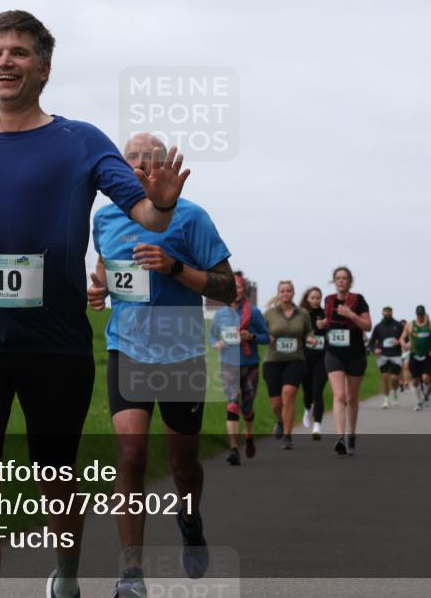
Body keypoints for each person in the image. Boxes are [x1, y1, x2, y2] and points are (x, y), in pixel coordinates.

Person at [0, 11, 190, 598]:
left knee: (56, 481)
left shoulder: (80, 142)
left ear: (44, 68)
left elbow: (145, 214)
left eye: (19, 52)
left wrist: (163, 205)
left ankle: (69, 573)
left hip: (55, 342)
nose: (5, 61)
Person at [88, 132, 235, 598]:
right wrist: (99, 291)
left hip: (182, 352)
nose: (141, 169)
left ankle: (190, 519)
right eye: (131, 161)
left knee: (183, 463)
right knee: (130, 457)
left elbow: (227, 290)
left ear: (164, 169)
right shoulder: (104, 217)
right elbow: (107, 274)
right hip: (127, 349)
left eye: (151, 161)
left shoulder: (192, 217)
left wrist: (175, 268)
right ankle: (131, 575)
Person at [211, 271, 270, 464]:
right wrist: (216, 343)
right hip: (228, 364)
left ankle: (249, 436)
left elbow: (266, 337)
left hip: (249, 365)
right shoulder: (220, 314)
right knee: (232, 404)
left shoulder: (254, 313)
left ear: (244, 290)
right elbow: (212, 336)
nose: (235, 290)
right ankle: (234, 449)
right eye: (232, 287)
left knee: (247, 408)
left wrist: (252, 337)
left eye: (238, 287)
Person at [318, 266, 372, 456]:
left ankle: (352, 435)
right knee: (339, 395)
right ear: (334, 281)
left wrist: (351, 315)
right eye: (338, 278)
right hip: (334, 353)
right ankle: (340, 438)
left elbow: (368, 325)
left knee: (352, 398)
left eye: (344, 278)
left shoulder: (358, 300)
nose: (341, 281)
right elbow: (328, 322)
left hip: (355, 354)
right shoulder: (329, 300)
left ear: (350, 281)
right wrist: (322, 324)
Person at [263, 280, 314, 450]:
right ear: (278, 294)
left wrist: (310, 338)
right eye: (282, 291)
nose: (285, 293)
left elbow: (308, 331)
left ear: (293, 293)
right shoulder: (269, 314)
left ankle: (287, 436)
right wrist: (266, 337)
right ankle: (280, 420)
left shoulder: (303, 314)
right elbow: (261, 332)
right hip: (273, 361)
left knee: (289, 394)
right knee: (276, 404)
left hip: (295, 360)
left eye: (289, 291)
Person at [299, 286, 328, 439]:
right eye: (313, 298)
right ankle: (307, 408)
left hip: (322, 358)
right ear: (307, 299)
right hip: (304, 358)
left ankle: (317, 426)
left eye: (318, 298)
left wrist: (326, 325)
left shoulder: (325, 314)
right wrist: (314, 327)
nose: (316, 301)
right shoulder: (301, 314)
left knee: (318, 391)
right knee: (307, 392)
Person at [400, 305, 431, 411]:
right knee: (416, 381)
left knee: (426, 378)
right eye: (418, 315)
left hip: (427, 355)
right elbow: (402, 338)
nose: (420, 317)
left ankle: (426, 395)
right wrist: (404, 344)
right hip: (414, 355)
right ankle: (419, 401)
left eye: (422, 315)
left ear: (424, 314)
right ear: (416, 314)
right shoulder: (410, 325)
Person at [368, 306, 403, 409]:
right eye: (385, 311)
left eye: (389, 311)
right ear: (382, 313)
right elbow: (371, 342)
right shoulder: (378, 327)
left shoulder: (398, 325)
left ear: (392, 312)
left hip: (395, 355)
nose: (387, 313)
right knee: (384, 377)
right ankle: (386, 399)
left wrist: (399, 342)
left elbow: (406, 338)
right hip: (382, 355)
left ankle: (395, 393)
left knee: (394, 378)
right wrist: (374, 349)